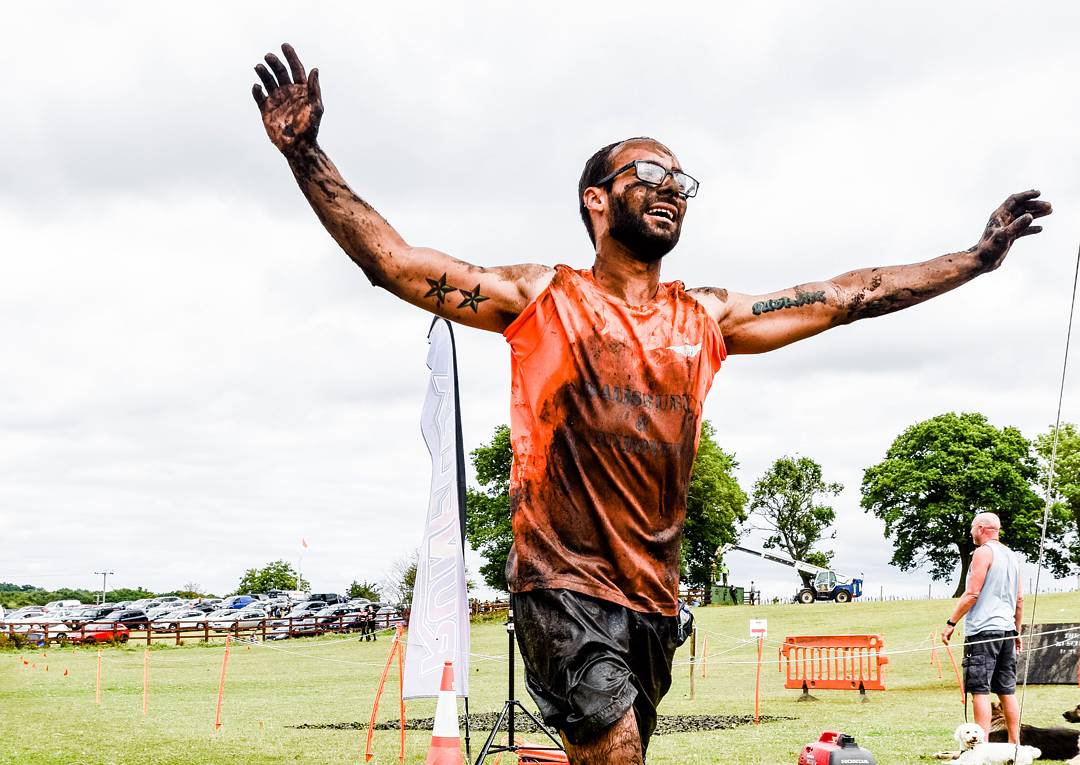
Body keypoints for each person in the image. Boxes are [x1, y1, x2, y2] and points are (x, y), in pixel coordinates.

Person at [250, 44, 1051, 764]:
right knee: (619, 749)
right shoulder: (542, 298)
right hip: (560, 583)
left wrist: (975, 259)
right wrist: (307, 153)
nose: (672, 189)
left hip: (652, 600)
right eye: (650, 175)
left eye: (682, 182)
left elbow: (851, 295)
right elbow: (392, 261)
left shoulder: (704, 316)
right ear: (597, 201)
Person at [942, 512, 1024, 743]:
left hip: (983, 631)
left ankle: (982, 745)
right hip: (1007, 630)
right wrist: (1016, 631)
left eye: (972, 529)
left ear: (980, 528)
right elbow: (1019, 600)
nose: (970, 533)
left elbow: (972, 594)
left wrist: (951, 623)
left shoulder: (982, 552)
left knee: (980, 690)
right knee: (1007, 691)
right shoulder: (1011, 556)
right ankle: (1014, 744)